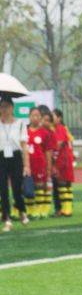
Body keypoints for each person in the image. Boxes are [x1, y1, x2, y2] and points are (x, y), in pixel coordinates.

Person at [0, 97, 29, 230]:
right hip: (1, 158)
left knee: (17, 188)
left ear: (12, 108)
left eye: (6, 106)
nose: (4, 110)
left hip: (16, 157)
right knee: (3, 189)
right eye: (1, 107)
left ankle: (22, 211)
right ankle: (7, 219)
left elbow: (24, 145)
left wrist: (27, 165)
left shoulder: (20, 123)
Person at [26, 106, 54, 219]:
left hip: (40, 164)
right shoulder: (24, 132)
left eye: (38, 115)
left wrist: (48, 167)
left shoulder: (44, 133)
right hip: (27, 165)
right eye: (33, 115)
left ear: (41, 118)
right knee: (27, 188)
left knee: (39, 187)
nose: (35, 118)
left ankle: (39, 210)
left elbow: (48, 152)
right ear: (29, 117)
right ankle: (30, 210)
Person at [50, 109, 75, 217]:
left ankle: (66, 209)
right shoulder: (56, 128)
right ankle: (63, 209)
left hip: (62, 160)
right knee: (61, 185)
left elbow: (58, 144)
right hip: (61, 160)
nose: (51, 118)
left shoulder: (60, 128)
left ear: (59, 118)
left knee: (63, 184)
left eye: (53, 116)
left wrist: (50, 154)